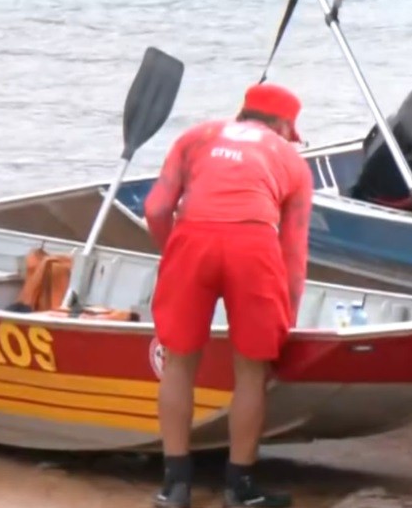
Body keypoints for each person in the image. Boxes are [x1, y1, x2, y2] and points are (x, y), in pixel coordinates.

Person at [142, 82, 314, 508]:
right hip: (253, 247)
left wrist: (178, 252)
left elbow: (156, 209)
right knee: (252, 371)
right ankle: (240, 488)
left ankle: (175, 486)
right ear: (282, 125)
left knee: (178, 364)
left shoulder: (195, 137)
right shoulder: (290, 159)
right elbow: (293, 251)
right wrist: (286, 315)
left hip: (192, 238)